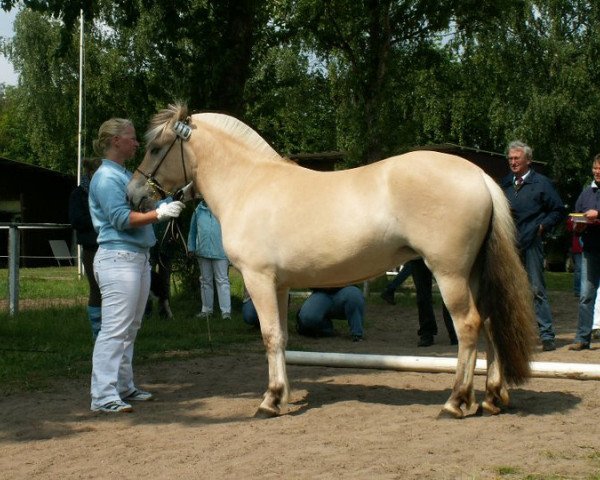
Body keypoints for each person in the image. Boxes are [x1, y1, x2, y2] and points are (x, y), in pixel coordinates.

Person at [88, 117, 185, 413]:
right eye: (130, 137)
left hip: (135, 258)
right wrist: (159, 215)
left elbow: (143, 204)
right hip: (119, 258)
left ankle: (123, 386)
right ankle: (103, 395)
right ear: (116, 141)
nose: (135, 142)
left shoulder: (124, 175)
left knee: (130, 327)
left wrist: (165, 203)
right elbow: (121, 219)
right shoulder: (106, 178)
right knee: (116, 329)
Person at [501, 140, 565, 352]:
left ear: (528, 159)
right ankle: (515, 336)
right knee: (510, 291)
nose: (513, 162)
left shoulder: (542, 183)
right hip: (509, 245)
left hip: (532, 243)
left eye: (516, 158)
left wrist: (542, 227)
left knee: (536, 289)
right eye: (510, 158)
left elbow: (557, 210)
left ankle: (547, 335)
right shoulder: (505, 184)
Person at [569, 154, 600, 350]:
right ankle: (582, 338)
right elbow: (576, 216)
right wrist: (578, 226)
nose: (597, 172)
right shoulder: (586, 193)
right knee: (586, 295)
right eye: (595, 168)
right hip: (590, 250)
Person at [69, 157, 102, 340]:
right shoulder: (79, 194)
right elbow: (77, 221)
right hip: (91, 248)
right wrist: (99, 221)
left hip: (107, 246)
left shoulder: (104, 192)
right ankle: (97, 329)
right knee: (96, 289)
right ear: (90, 173)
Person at [188, 200, 231, 320]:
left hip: (221, 252)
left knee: (222, 281)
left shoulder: (222, 209)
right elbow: (192, 231)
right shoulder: (198, 211)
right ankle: (206, 310)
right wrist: (191, 247)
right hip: (202, 252)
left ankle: (226, 312)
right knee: (205, 281)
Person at [411, 259, 458, 347]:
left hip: (441, 253)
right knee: (422, 296)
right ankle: (427, 333)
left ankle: (454, 332)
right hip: (418, 256)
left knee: (448, 292)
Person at [296, 286, 365, 342]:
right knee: (308, 317)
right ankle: (327, 329)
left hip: (346, 289)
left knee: (354, 296)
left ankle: (357, 334)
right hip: (320, 292)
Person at [566, 217, 583, 297]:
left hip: (591, 247)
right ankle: (577, 290)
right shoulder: (574, 217)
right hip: (578, 248)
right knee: (579, 270)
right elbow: (570, 227)